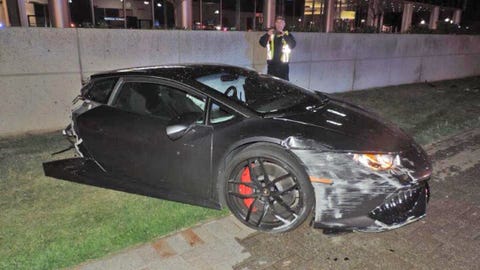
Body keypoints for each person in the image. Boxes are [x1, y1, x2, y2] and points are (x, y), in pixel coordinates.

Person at [259, 16, 296, 81]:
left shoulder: (287, 34)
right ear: (275, 24)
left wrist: (284, 36)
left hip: (283, 68)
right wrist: (267, 34)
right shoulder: (271, 34)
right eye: (278, 22)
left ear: (284, 24)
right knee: (271, 86)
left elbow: (293, 45)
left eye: (281, 23)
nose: (279, 24)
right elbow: (262, 43)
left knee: (284, 87)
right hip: (272, 67)